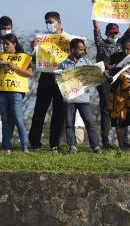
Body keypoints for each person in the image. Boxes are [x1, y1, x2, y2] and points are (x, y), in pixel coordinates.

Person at [28, 10, 68, 150]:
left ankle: (55, 144)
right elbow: (34, 61)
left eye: (50, 22)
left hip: (62, 79)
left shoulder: (69, 39)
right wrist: (33, 49)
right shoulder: (42, 39)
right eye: (46, 22)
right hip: (46, 77)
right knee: (40, 110)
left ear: (58, 22)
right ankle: (34, 142)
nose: (48, 25)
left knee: (59, 112)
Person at [57, 37, 102, 154]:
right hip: (69, 100)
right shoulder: (63, 64)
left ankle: (95, 146)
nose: (83, 51)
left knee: (89, 122)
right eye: (80, 49)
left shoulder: (86, 62)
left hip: (83, 99)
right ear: (73, 50)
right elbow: (57, 80)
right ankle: (72, 146)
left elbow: (94, 74)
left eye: (83, 49)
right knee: (69, 123)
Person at [91, 7, 123, 148]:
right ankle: (105, 140)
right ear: (106, 33)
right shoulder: (101, 43)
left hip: (119, 79)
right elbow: (96, 26)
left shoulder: (122, 44)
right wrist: (94, 7)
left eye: (116, 32)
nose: (114, 35)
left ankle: (123, 140)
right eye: (111, 33)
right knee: (106, 109)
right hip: (103, 80)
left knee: (121, 108)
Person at [0, 31, 31, 154]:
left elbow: (29, 73)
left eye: (7, 44)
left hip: (16, 92)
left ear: (14, 44)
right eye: (3, 44)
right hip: (2, 91)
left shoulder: (24, 57)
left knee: (18, 119)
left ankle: (25, 146)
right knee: (5, 120)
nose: (5, 46)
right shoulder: (1, 56)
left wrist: (16, 68)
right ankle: (6, 148)